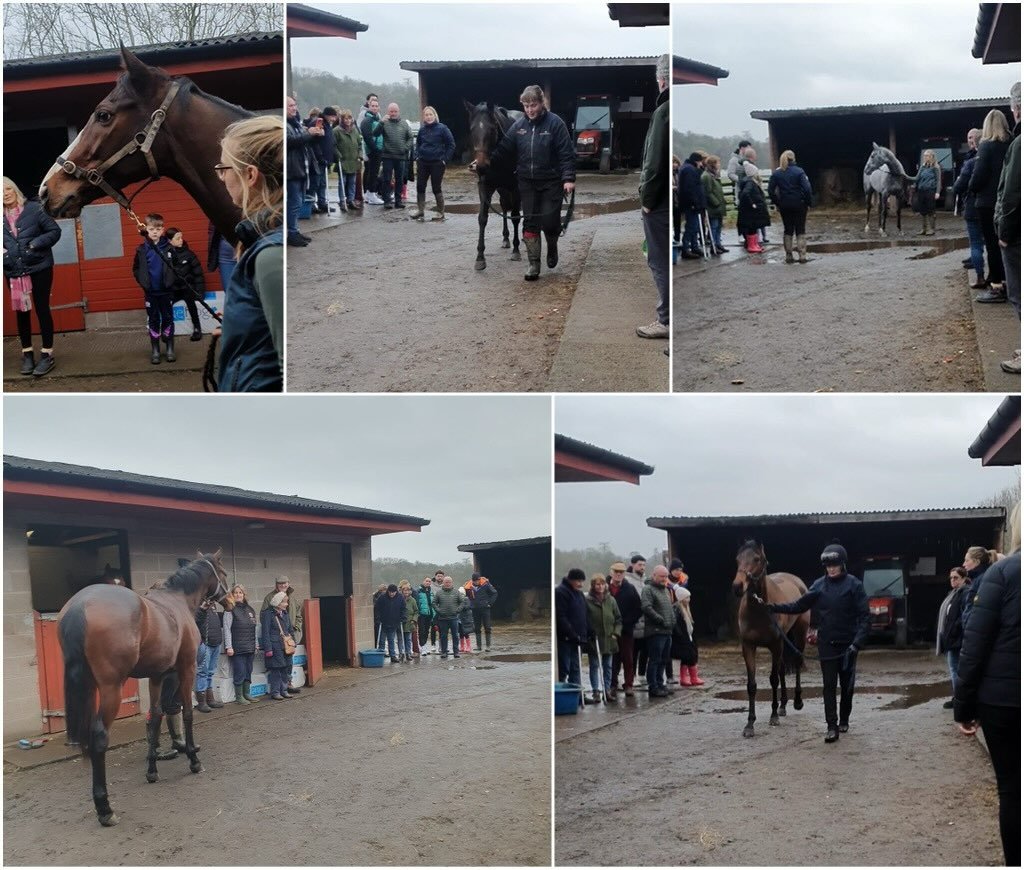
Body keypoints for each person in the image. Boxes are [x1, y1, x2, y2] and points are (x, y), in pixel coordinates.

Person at [953, 504, 1019, 868]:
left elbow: (974, 647)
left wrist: (964, 707)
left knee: (1012, 790)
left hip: (1005, 703)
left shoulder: (1003, 574)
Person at [764, 543, 869, 743]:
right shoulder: (819, 586)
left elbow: (865, 617)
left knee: (847, 686)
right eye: (828, 566)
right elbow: (799, 605)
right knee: (828, 685)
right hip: (827, 644)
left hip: (848, 645)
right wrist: (775, 607)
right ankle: (831, 726)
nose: (831, 569)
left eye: (835, 565)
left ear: (842, 564)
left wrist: (857, 643)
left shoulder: (854, 585)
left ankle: (844, 718)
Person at [215, 115, 284, 392]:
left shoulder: (270, 255)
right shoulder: (260, 240)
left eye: (223, 168)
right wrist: (238, 327)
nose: (221, 177)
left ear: (250, 175)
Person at [488, 84, 576, 281]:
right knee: (530, 222)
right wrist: (485, 162)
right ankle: (533, 264)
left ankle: (552, 246)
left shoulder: (555, 124)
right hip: (527, 182)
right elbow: (504, 150)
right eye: (526, 106)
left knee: (550, 221)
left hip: (551, 182)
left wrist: (568, 178)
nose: (529, 110)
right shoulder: (519, 127)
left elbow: (566, 153)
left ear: (541, 103)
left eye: (533, 105)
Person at [3, 176, 61, 376]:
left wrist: (35, 244)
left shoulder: (34, 209)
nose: (5, 194)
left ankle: (47, 354)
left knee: (42, 309)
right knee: (22, 312)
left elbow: (54, 231)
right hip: (14, 271)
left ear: (14, 189)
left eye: (7, 189)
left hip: (39, 268)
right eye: (1, 192)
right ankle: (27, 354)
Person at [636, 53, 671, 340]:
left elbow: (653, 163)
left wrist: (646, 199)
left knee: (658, 258)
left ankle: (666, 319)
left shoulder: (663, 111)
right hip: (666, 199)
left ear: (661, 80)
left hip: (657, 203)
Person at [994, 82, 1021, 375]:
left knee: (1019, 293)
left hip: (1017, 235)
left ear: (1016, 110)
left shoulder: (1019, 143)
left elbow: (1014, 192)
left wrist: (1004, 232)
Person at [970, 109, 1012, 288]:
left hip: (987, 202)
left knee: (991, 243)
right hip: (1008, 201)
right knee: (1008, 242)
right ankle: (1007, 279)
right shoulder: (1012, 143)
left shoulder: (986, 146)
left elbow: (978, 177)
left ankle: (996, 283)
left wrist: (971, 188)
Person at [131, 213, 178, 365]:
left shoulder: (169, 248)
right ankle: (155, 350)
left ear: (163, 230)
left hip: (166, 292)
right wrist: (143, 282)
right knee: (153, 319)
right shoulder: (142, 250)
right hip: (151, 292)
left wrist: (171, 281)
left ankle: (170, 347)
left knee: (168, 318)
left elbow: (176, 267)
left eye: (158, 229)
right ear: (146, 230)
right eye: (152, 229)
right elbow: (136, 268)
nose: (155, 232)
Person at [954, 129, 988, 293]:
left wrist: (960, 182)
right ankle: (999, 279)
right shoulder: (998, 158)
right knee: (993, 243)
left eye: (972, 139)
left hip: (974, 207)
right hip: (991, 206)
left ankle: (980, 276)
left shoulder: (971, 163)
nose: (970, 141)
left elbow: (959, 187)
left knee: (975, 244)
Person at [285, 95, 320, 247]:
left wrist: (315, 134)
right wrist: (309, 134)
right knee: (294, 203)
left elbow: (302, 140)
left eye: (295, 105)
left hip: (300, 168)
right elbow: (290, 141)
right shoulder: (284, 125)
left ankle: (295, 230)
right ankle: (291, 233)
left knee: (298, 203)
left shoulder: (296, 123)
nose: (294, 108)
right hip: (292, 170)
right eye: (290, 106)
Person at [768, 150, 813, 264]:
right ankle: (802, 255)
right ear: (793, 159)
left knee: (788, 230)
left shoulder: (777, 173)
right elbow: (807, 189)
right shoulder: (799, 172)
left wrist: (778, 202)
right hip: (799, 204)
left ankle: (789, 255)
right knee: (800, 229)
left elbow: (770, 190)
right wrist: (808, 202)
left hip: (784, 205)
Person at [411, 106, 455, 221]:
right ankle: (420, 210)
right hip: (423, 162)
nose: (429, 117)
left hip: (437, 163)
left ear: (435, 116)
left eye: (431, 114)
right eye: (426, 115)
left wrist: (445, 159)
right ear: (424, 117)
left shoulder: (442, 129)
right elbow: (418, 144)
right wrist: (416, 156)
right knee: (420, 186)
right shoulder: (422, 130)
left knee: (436, 187)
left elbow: (451, 144)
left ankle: (440, 212)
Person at [261, 575, 302, 695]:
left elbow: (298, 615)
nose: (283, 585)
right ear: (276, 585)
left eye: (285, 583)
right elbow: (265, 624)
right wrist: (268, 647)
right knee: (277, 668)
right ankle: (277, 690)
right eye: (280, 583)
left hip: (288, 639)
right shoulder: (269, 599)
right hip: (276, 640)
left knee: (287, 666)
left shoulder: (292, 598)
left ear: (288, 584)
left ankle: (287, 686)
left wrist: (297, 628)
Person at [585, 573, 622, 704]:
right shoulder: (587, 601)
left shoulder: (611, 600)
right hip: (593, 639)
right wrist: (589, 632)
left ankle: (606, 690)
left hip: (609, 639)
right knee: (594, 665)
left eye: (602, 584)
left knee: (608, 666)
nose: (600, 586)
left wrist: (616, 633)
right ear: (593, 586)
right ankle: (595, 691)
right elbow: (584, 620)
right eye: (597, 584)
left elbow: (618, 619)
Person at [936, 566, 970, 708]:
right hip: (952, 638)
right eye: (951, 578)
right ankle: (958, 697)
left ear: (963, 578)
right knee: (954, 669)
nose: (952, 580)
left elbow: (964, 615)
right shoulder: (954, 593)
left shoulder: (965, 593)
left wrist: (955, 630)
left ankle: (960, 698)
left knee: (955, 669)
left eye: (956, 577)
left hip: (958, 639)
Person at [640, 564, 675, 697]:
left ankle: (661, 684)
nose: (664, 579)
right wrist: (660, 619)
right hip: (655, 631)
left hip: (667, 631)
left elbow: (669, 607)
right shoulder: (648, 589)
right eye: (662, 576)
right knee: (655, 659)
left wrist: (672, 620)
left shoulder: (665, 590)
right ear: (654, 575)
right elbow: (646, 607)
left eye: (666, 576)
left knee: (664, 659)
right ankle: (653, 686)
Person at [164, 226, 205, 341]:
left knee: (191, 304)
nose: (181, 240)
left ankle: (197, 328)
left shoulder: (189, 254)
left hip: (187, 288)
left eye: (181, 237)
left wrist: (200, 292)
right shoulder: (165, 255)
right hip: (173, 289)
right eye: (177, 238)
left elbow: (198, 274)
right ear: (169, 241)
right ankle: (167, 329)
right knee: (166, 305)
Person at [222, 583, 260, 704]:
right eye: (236, 592)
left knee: (248, 670)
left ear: (244, 595)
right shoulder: (229, 609)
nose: (238, 594)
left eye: (240, 592)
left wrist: (256, 644)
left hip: (250, 646)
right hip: (237, 648)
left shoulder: (250, 610)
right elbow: (227, 629)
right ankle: (239, 697)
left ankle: (247, 693)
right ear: (232, 595)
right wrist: (229, 647)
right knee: (240, 671)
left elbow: (253, 628)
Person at [669, 559, 704, 687]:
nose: (679, 572)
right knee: (687, 654)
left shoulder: (684, 579)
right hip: (682, 634)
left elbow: (682, 588)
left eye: (680, 569)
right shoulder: (678, 611)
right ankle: (685, 677)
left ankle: (693, 676)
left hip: (689, 633)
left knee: (693, 652)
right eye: (677, 569)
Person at [608, 561, 641, 698]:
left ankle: (628, 685)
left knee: (628, 659)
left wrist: (628, 622)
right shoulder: (604, 588)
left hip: (627, 630)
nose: (618, 574)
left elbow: (638, 608)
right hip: (610, 631)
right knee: (612, 659)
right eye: (616, 572)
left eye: (621, 572)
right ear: (611, 572)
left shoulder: (630, 588)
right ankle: (612, 685)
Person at [555, 568, 588, 686]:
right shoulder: (560, 592)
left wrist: (589, 630)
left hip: (579, 639)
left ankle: (578, 696)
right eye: (578, 581)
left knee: (576, 668)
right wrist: (571, 633)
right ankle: (560, 694)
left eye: (582, 581)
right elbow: (561, 616)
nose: (580, 584)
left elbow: (584, 614)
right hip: (566, 639)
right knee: (563, 669)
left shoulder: (579, 594)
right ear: (570, 580)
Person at [261, 591, 295, 700]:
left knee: (285, 668)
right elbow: (265, 632)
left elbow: (290, 630)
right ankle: (275, 692)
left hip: (286, 646)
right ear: (278, 603)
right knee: (276, 670)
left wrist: (293, 642)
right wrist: (268, 649)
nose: (286, 604)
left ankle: (284, 690)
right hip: (275, 646)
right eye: (284, 602)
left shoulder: (285, 614)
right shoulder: (268, 614)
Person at [379, 103, 414, 209]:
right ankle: (387, 201)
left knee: (400, 179)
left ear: (398, 112)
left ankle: (398, 201)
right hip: (387, 156)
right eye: (391, 111)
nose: (393, 113)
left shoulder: (404, 124)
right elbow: (375, 133)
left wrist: (405, 148)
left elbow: (411, 138)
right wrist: (380, 123)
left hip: (401, 156)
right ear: (388, 112)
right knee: (387, 179)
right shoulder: (384, 123)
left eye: (395, 111)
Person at [193, 598, 224, 713]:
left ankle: (210, 699)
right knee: (202, 672)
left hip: (215, 643)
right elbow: (195, 621)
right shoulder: (197, 604)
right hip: (205, 643)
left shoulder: (213, 605)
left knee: (210, 672)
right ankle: (201, 701)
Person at [677, 151, 706, 259]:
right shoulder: (689, 170)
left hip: (689, 203)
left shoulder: (688, 168)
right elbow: (690, 188)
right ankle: (686, 248)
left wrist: (701, 169)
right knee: (691, 226)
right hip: (690, 204)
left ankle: (694, 247)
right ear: (697, 161)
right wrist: (694, 202)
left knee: (695, 226)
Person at [737, 162, 770, 254]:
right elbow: (745, 194)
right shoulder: (750, 183)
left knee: (754, 228)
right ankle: (752, 245)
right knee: (752, 228)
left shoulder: (751, 182)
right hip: (751, 211)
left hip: (753, 211)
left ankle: (755, 244)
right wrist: (752, 204)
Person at [334, 110, 363, 212]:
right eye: (346, 118)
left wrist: (360, 155)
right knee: (343, 182)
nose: (348, 121)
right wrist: (338, 155)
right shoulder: (337, 131)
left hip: (354, 160)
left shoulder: (355, 130)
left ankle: (351, 200)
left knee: (352, 182)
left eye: (349, 118)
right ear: (342, 119)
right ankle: (342, 201)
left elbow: (359, 144)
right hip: (343, 161)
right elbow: (333, 146)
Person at [625, 555, 647, 685]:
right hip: (634, 621)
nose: (642, 567)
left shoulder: (645, 580)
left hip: (646, 621)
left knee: (645, 649)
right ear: (632, 565)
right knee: (633, 651)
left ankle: (642, 674)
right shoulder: (628, 580)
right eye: (640, 565)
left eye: (644, 565)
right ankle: (631, 676)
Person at [961, 545, 994, 629]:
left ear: (977, 562)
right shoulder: (977, 579)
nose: (963, 564)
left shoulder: (983, 579)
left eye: (966, 560)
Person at [359, 95, 384, 205]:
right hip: (373, 150)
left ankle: (370, 193)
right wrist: (375, 149)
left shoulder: (377, 119)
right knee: (372, 172)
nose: (374, 108)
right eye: (372, 106)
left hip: (378, 149)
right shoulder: (366, 120)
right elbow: (367, 136)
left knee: (373, 172)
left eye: (376, 106)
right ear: (369, 106)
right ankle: (371, 193)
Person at [701, 155, 728, 255]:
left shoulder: (714, 175)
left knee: (718, 226)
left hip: (718, 206)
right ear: (713, 164)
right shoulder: (706, 176)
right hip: (713, 207)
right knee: (714, 226)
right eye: (717, 163)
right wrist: (716, 202)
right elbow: (708, 192)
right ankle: (713, 246)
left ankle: (718, 244)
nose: (719, 165)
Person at [913, 149, 942, 236]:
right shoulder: (922, 167)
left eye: (926, 156)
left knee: (931, 210)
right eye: (924, 156)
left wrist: (937, 192)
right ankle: (923, 229)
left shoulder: (936, 167)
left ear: (931, 156)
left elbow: (938, 180)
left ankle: (932, 229)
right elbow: (917, 178)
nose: (925, 157)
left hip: (930, 191)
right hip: (921, 190)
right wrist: (906, 176)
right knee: (922, 210)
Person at [432, 575, 461, 659]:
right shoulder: (439, 593)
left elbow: (462, 602)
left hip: (454, 618)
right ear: (443, 583)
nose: (447, 584)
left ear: (452, 583)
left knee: (455, 635)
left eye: (449, 582)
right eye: (446, 582)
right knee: (443, 636)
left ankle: (456, 652)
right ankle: (444, 652)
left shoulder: (456, 592)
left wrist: (458, 610)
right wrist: (439, 610)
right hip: (442, 619)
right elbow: (433, 603)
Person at [377, 583, 405, 663]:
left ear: (396, 592)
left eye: (393, 592)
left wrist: (403, 617)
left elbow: (403, 608)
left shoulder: (400, 597)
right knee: (381, 640)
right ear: (388, 591)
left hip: (394, 622)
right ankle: (380, 656)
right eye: (390, 592)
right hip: (383, 622)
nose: (392, 594)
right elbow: (377, 608)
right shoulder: (382, 597)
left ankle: (393, 656)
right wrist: (378, 618)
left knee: (391, 640)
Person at [471, 573, 498, 651]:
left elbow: (494, 593)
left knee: (487, 627)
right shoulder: (469, 586)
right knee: (477, 628)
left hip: (485, 609)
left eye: (478, 580)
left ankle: (488, 646)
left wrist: (489, 603)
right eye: (475, 580)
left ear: (480, 579)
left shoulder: (485, 585)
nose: (477, 582)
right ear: (473, 580)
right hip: (475, 609)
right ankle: (479, 646)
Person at [416, 576, 436, 654]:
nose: (428, 582)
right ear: (423, 581)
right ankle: (422, 646)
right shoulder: (419, 591)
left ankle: (424, 645)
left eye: (429, 581)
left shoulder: (431, 591)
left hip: (430, 613)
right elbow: (417, 602)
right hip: (422, 614)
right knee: (422, 630)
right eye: (426, 581)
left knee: (427, 630)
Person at [457, 589, 475, 654]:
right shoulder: (457, 599)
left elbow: (467, 607)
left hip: (465, 619)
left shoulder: (466, 599)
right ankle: (462, 646)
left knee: (466, 633)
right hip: (459, 619)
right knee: (460, 633)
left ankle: (468, 646)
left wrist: (460, 606)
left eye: (461, 593)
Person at [372, 583, 388, 650]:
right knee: (379, 636)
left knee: (381, 636)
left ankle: (380, 649)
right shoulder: (378, 597)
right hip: (378, 619)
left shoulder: (375, 596)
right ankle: (379, 649)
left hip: (380, 618)